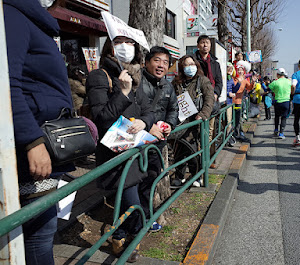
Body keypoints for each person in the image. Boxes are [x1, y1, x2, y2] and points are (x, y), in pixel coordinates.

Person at [4, 0, 75, 264]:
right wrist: (32, 140)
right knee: (38, 234)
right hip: (29, 147)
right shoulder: (12, 14)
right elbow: (6, 82)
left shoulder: (35, 22)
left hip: (41, 141)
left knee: (42, 231)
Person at [86, 35, 154, 261]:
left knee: (133, 203)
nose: (127, 47)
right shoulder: (99, 76)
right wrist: (122, 92)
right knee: (132, 204)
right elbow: (101, 117)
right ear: (110, 47)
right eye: (121, 42)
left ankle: (121, 237)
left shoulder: (134, 76)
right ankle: (125, 238)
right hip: (114, 155)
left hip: (135, 152)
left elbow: (147, 110)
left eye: (131, 43)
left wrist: (145, 122)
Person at [140, 46, 179, 218]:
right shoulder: (137, 81)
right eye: (157, 60)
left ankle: (146, 215)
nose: (161, 65)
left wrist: (170, 124)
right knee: (134, 181)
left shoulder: (168, 86)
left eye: (165, 62)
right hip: (137, 142)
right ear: (147, 62)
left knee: (151, 178)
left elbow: (173, 109)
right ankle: (138, 219)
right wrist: (148, 126)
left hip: (157, 143)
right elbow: (130, 110)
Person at [172, 55, 215, 185]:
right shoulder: (176, 82)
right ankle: (179, 176)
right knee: (179, 148)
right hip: (180, 120)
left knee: (193, 148)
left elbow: (209, 99)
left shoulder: (202, 80)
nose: (190, 67)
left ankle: (197, 175)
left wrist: (203, 114)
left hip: (195, 120)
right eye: (186, 65)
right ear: (181, 67)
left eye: (192, 64)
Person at [195, 35, 223, 169]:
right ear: (198, 45)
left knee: (210, 130)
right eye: (202, 43)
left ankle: (210, 158)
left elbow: (219, 81)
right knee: (197, 131)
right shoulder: (193, 61)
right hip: (196, 100)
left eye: (207, 43)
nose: (205, 45)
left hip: (211, 101)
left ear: (210, 46)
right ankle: (198, 160)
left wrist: (216, 94)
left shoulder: (215, 63)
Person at [232, 61, 253, 142]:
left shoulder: (244, 80)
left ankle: (237, 134)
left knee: (238, 119)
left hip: (239, 102)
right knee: (231, 120)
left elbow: (250, 87)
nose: (240, 71)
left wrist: (253, 81)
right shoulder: (233, 79)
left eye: (241, 70)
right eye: (238, 70)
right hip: (231, 102)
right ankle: (234, 134)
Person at [269, 68, 291, 139]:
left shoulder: (276, 82)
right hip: (286, 101)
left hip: (278, 102)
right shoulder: (289, 82)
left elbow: (269, 88)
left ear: (277, 75)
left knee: (277, 116)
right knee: (284, 118)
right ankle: (281, 133)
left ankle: (276, 129)